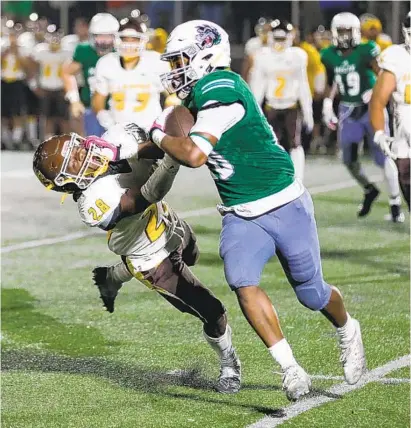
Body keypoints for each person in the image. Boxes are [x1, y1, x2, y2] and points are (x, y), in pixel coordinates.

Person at [145, 19, 366, 401]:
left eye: (181, 59)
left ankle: (348, 330)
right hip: (241, 213)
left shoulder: (221, 85)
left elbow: (195, 154)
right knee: (243, 282)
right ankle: (290, 368)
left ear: (205, 56)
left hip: (284, 202)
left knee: (312, 294)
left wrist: (155, 135)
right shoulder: (194, 99)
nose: (174, 69)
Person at [32, 122, 241, 394]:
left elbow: (157, 147)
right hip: (152, 258)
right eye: (74, 160)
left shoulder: (113, 139)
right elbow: (143, 198)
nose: (84, 153)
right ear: (66, 183)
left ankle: (113, 276)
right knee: (212, 312)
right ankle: (229, 363)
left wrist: (166, 142)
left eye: (77, 148)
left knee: (193, 255)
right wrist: (173, 159)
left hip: (168, 222)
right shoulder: (91, 203)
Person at [321, 12, 403, 222]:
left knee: (382, 155)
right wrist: (328, 103)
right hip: (348, 110)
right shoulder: (328, 54)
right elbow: (334, 82)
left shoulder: (367, 50)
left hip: (369, 109)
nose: (345, 35)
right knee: (348, 159)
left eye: (348, 30)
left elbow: (382, 73)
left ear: (357, 31)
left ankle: (395, 204)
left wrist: (375, 91)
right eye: (341, 31)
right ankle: (369, 189)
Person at [249, 20, 313, 181]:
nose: (279, 43)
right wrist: (254, 111)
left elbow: (303, 85)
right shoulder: (263, 56)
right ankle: (275, 176)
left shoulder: (297, 55)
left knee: (295, 143)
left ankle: (298, 179)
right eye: (276, 38)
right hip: (272, 106)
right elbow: (258, 87)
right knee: (272, 143)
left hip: (291, 105)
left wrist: (308, 111)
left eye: (282, 39)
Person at [92, 17, 170, 131]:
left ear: (143, 40)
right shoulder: (107, 63)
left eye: (134, 40)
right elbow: (98, 99)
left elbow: (173, 96)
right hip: (119, 130)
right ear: (117, 40)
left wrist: (165, 119)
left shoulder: (156, 62)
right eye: (125, 39)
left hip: (150, 131)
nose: (129, 44)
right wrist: (103, 115)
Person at [370, 11, 411, 210]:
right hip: (404, 126)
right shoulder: (397, 56)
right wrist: (379, 133)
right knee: (405, 175)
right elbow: (378, 100)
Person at [62, 13, 119, 137]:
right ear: (92, 36)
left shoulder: (122, 53)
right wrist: (74, 100)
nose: (104, 42)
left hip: (117, 109)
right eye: (100, 37)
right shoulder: (84, 50)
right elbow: (67, 72)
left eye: (108, 37)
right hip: (90, 107)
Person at [28, 30, 72, 140]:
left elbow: (72, 72)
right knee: (47, 118)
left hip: (62, 89)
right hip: (46, 89)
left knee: (64, 119)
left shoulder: (67, 52)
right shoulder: (40, 50)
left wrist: (69, 89)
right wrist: (34, 85)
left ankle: (66, 143)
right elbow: (32, 68)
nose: (54, 40)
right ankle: (47, 143)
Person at [241, 17, 272, 83]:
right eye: (264, 30)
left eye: (267, 30)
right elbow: (247, 64)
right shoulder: (252, 43)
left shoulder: (274, 43)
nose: (266, 33)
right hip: (255, 76)